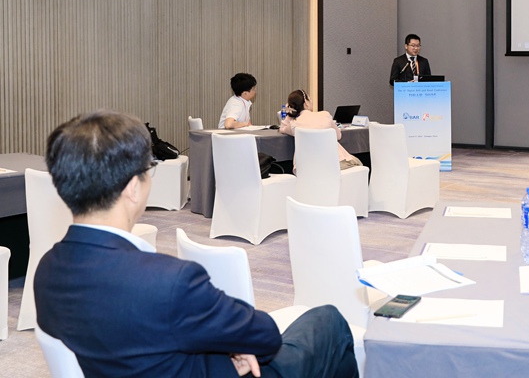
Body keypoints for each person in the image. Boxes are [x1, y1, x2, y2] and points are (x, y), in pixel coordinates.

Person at [34, 110, 358, 378]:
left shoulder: (47, 270)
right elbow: (264, 336)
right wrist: (230, 351)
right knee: (328, 321)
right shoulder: (168, 281)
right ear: (133, 188)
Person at [279, 89, 363, 170]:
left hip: (306, 168)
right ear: (306, 103)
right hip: (334, 163)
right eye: (310, 99)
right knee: (358, 163)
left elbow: (282, 128)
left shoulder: (294, 124)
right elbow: (338, 136)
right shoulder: (325, 115)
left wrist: (289, 113)